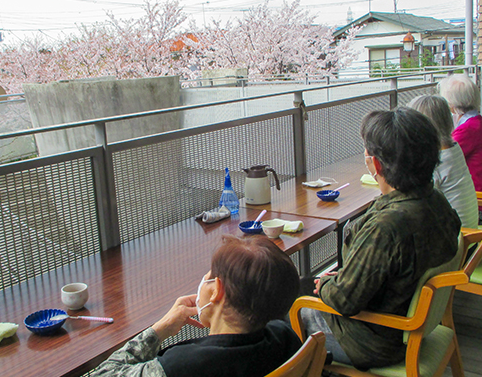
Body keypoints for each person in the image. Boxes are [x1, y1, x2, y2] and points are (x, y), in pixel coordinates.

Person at [300, 107, 461, 370]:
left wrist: (328, 287)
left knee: (277, 314)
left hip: (373, 341)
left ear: (375, 164)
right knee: (301, 284)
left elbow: (344, 301)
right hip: (406, 320)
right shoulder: (437, 202)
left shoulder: (388, 227)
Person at [92, 235, 302, 377]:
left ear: (215, 290)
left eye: (209, 275)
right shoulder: (284, 338)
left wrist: (160, 329)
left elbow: (103, 373)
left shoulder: (180, 366)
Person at [439, 74, 482, 225]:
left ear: (451, 104)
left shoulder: (467, 130)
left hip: (481, 205)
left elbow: (440, 158)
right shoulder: (480, 123)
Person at [409, 95, 479, 228]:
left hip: (456, 241)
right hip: (470, 237)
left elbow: (415, 203)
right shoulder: (453, 149)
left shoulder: (435, 161)